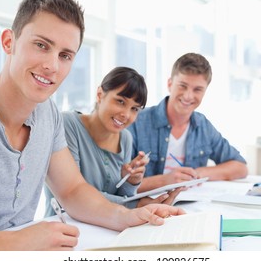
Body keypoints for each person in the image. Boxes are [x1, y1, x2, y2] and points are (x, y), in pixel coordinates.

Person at [0, 0, 184, 251]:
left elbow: (72, 190)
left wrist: (125, 217)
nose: (52, 66)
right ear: (9, 42)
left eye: (65, 55)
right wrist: (18, 242)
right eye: (41, 45)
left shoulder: (48, 114)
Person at [44, 67, 180, 214]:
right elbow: (75, 194)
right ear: (100, 94)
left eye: (135, 109)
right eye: (120, 101)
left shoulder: (125, 138)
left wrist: (130, 180)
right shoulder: (67, 125)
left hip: (106, 228)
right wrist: (136, 204)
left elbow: (121, 197)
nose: (126, 115)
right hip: (65, 226)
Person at [128, 52, 248, 193]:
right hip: (146, 208)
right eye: (182, 86)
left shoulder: (203, 126)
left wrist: (198, 173)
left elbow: (240, 167)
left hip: (191, 206)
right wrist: (165, 181)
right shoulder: (136, 121)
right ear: (170, 84)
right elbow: (116, 184)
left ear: (205, 91)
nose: (188, 96)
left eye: (197, 89)